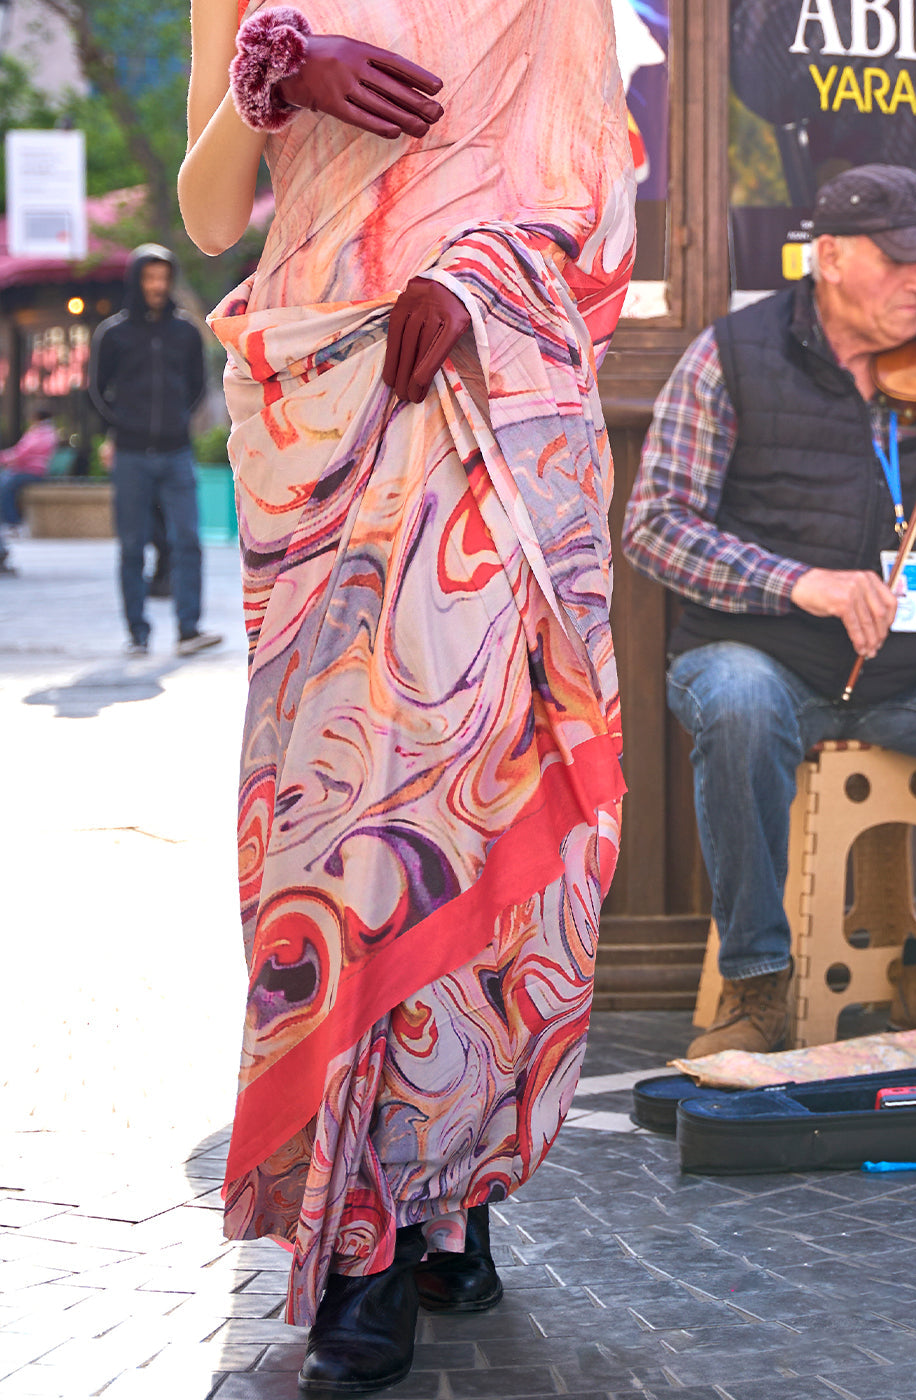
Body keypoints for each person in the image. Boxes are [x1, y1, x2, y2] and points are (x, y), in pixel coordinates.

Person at [179, 1, 634, 1393]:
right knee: (331, 811)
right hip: (317, 397)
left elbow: (591, 180)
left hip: (493, 384)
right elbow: (208, 216)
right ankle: (365, 1227)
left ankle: (445, 1183)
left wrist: (489, 272)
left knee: (473, 781)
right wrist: (270, 74)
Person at [622, 163, 916, 1060]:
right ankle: (758, 984)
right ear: (828, 257)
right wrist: (799, 582)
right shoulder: (732, 356)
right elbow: (653, 525)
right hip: (763, 656)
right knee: (740, 704)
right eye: (899, 262)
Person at [89, 245, 222, 657]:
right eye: (149, 277)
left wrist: (177, 420)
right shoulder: (113, 333)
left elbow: (199, 385)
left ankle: (188, 629)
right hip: (130, 454)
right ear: (136, 280)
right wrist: (119, 426)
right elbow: (96, 389)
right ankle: (138, 633)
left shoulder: (184, 332)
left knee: (187, 539)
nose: (157, 285)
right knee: (132, 546)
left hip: (176, 452)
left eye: (163, 277)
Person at [0, 407, 58, 528]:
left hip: (32, 472)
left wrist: (4, 458)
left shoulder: (40, 434)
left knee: (5, 484)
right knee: (4, 479)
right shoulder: (45, 433)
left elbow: (21, 453)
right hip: (27, 471)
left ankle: (12, 522)